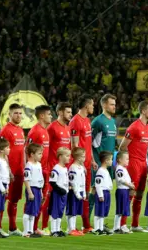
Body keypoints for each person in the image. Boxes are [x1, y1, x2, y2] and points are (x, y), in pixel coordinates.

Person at [119, 101, 148, 232]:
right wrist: (128, 162)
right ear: (143, 111)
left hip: (143, 164)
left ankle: (135, 224)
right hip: (133, 164)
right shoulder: (134, 127)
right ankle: (122, 224)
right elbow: (122, 146)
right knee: (130, 193)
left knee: (139, 194)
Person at [43, 103, 72, 235]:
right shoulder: (52, 127)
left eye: (71, 112)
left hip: (63, 169)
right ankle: (44, 226)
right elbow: (45, 148)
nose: (70, 114)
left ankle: (55, 227)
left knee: (60, 201)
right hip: (52, 169)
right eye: (68, 112)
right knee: (49, 199)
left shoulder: (67, 128)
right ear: (60, 112)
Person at [90, 94, 117, 232]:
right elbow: (89, 142)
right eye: (112, 104)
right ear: (104, 105)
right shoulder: (97, 122)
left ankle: (100, 223)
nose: (114, 106)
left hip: (109, 164)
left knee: (105, 191)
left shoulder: (113, 121)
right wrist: (93, 160)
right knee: (95, 189)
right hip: (99, 163)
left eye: (114, 104)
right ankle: (87, 222)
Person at [69, 95, 96, 233]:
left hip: (86, 163)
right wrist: (78, 163)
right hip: (78, 164)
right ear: (86, 106)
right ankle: (72, 226)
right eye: (92, 105)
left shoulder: (87, 120)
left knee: (85, 192)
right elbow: (74, 145)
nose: (93, 107)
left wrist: (91, 159)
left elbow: (88, 143)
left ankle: (86, 225)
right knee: (76, 193)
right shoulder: (75, 121)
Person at [0, 103, 25, 236]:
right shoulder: (5, 131)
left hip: (19, 171)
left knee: (14, 199)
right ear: (9, 115)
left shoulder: (20, 130)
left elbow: (22, 151)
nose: (18, 115)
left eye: (20, 113)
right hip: (8, 172)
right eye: (16, 113)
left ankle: (12, 228)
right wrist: (8, 170)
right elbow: (2, 152)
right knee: (3, 199)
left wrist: (24, 168)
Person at [26, 105, 52, 235]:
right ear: (42, 116)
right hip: (36, 171)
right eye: (49, 114)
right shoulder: (35, 131)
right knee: (33, 200)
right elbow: (27, 150)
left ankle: (35, 227)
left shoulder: (45, 131)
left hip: (44, 170)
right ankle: (30, 228)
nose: (51, 116)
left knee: (41, 200)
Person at [23, 143, 45, 238]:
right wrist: (30, 192)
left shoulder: (39, 165)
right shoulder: (29, 166)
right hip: (31, 189)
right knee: (28, 211)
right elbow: (26, 180)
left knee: (33, 212)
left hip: (37, 189)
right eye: (39, 153)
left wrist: (40, 191)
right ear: (32, 154)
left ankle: (31, 231)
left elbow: (40, 178)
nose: (41, 155)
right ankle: (26, 231)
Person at [49, 147, 71, 237]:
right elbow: (52, 181)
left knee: (61, 211)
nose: (69, 158)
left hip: (64, 194)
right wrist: (60, 189)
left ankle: (58, 229)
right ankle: (54, 230)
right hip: (58, 194)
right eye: (67, 156)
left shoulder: (65, 168)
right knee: (55, 211)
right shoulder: (56, 168)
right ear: (61, 157)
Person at [67, 147, 87, 236]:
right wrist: (77, 193)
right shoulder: (73, 168)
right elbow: (73, 182)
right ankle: (71, 229)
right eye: (83, 156)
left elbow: (83, 180)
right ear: (78, 158)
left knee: (76, 211)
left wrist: (84, 192)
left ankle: (73, 227)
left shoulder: (81, 167)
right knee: (72, 211)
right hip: (74, 192)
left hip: (80, 191)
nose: (84, 158)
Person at [113, 151, 135, 234]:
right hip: (122, 190)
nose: (128, 161)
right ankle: (117, 227)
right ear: (119, 159)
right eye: (126, 159)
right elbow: (120, 179)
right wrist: (130, 185)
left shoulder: (123, 169)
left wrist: (129, 185)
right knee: (120, 210)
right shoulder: (119, 169)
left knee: (122, 209)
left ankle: (118, 227)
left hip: (125, 190)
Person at [94, 151, 114, 235]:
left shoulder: (105, 170)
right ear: (106, 160)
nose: (112, 161)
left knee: (103, 212)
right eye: (111, 159)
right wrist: (100, 195)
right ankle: (97, 229)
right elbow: (98, 184)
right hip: (102, 193)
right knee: (99, 211)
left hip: (107, 193)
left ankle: (101, 228)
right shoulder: (101, 171)